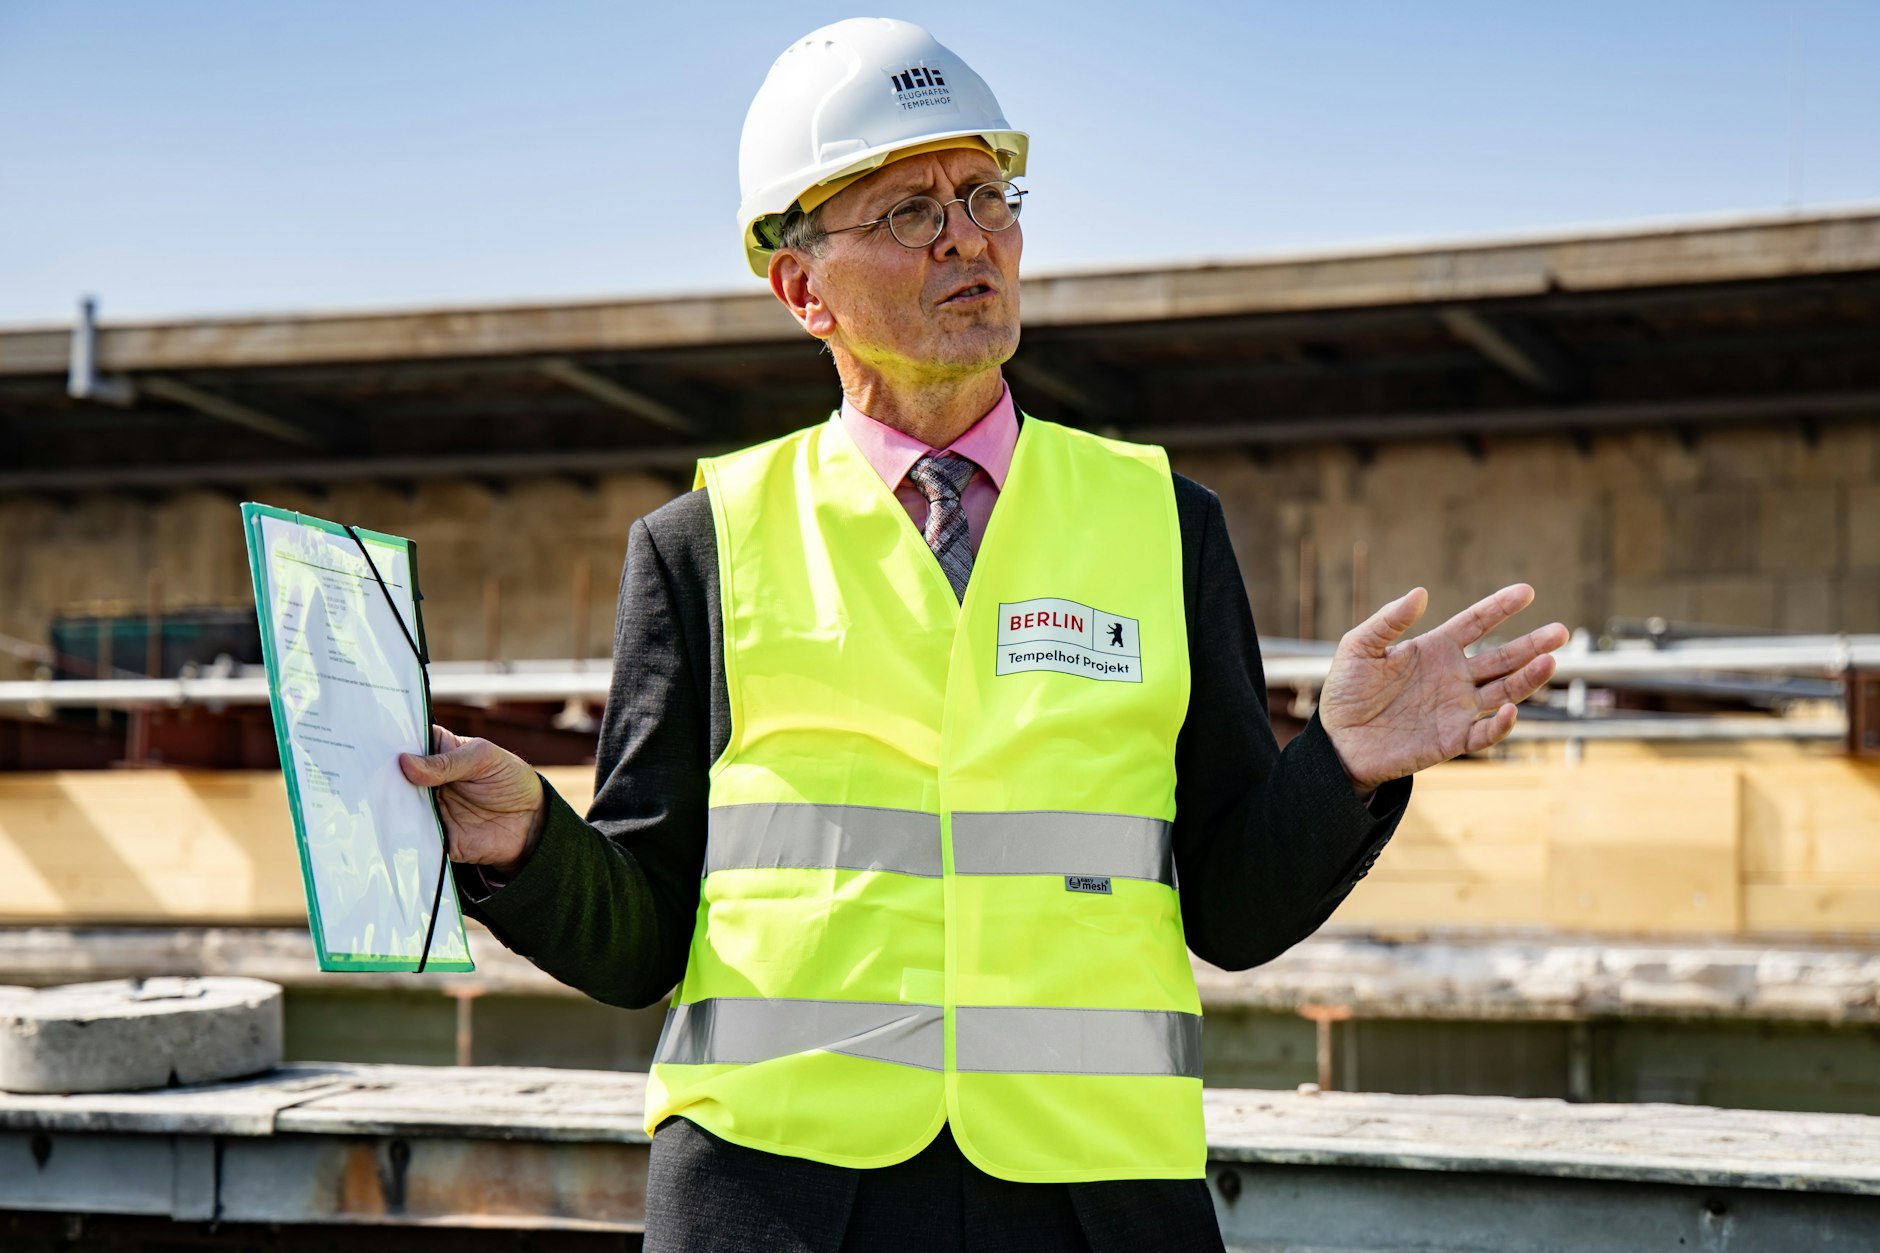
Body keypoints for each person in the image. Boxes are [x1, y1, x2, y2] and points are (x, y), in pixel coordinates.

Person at [398, 18, 1567, 1252]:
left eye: (984, 194)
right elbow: (642, 929)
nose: (968, 236)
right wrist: (525, 837)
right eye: (908, 211)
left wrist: (1339, 767)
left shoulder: (1162, 524)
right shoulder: (704, 543)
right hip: (778, 1199)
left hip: (1097, 1199)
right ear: (803, 288)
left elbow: (1226, 908)